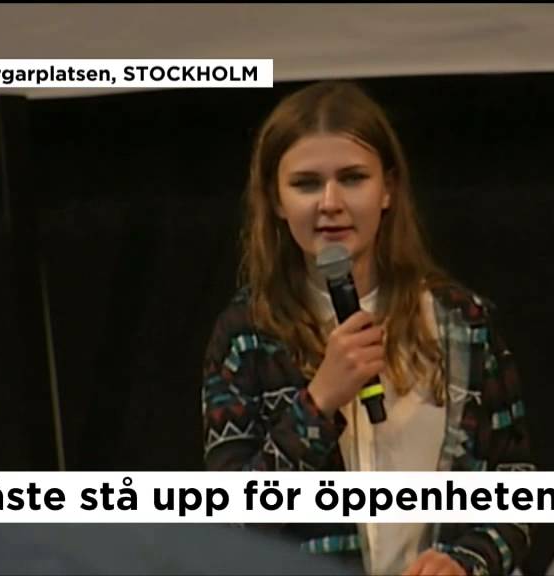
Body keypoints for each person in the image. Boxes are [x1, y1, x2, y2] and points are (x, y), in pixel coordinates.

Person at [201, 80, 533, 576]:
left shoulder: (462, 321)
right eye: (306, 184)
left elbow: (518, 491)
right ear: (276, 199)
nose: (330, 202)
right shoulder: (247, 333)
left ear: (388, 189)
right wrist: (318, 403)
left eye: (353, 178)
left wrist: (466, 562)